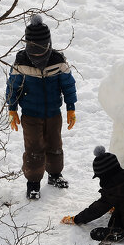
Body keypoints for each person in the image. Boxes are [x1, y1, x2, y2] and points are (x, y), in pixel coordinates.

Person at [6, 14, 77, 200]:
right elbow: (13, 85)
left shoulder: (58, 60)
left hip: (54, 113)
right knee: (34, 149)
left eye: (41, 48)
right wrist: (12, 108)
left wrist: (71, 107)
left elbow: (68, 85)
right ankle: (33, 183)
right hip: (30, 115)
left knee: (55, 145)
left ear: (49, 44)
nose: (37, 53)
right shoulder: (21, 61)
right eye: (33, 48)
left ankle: (54, 175)